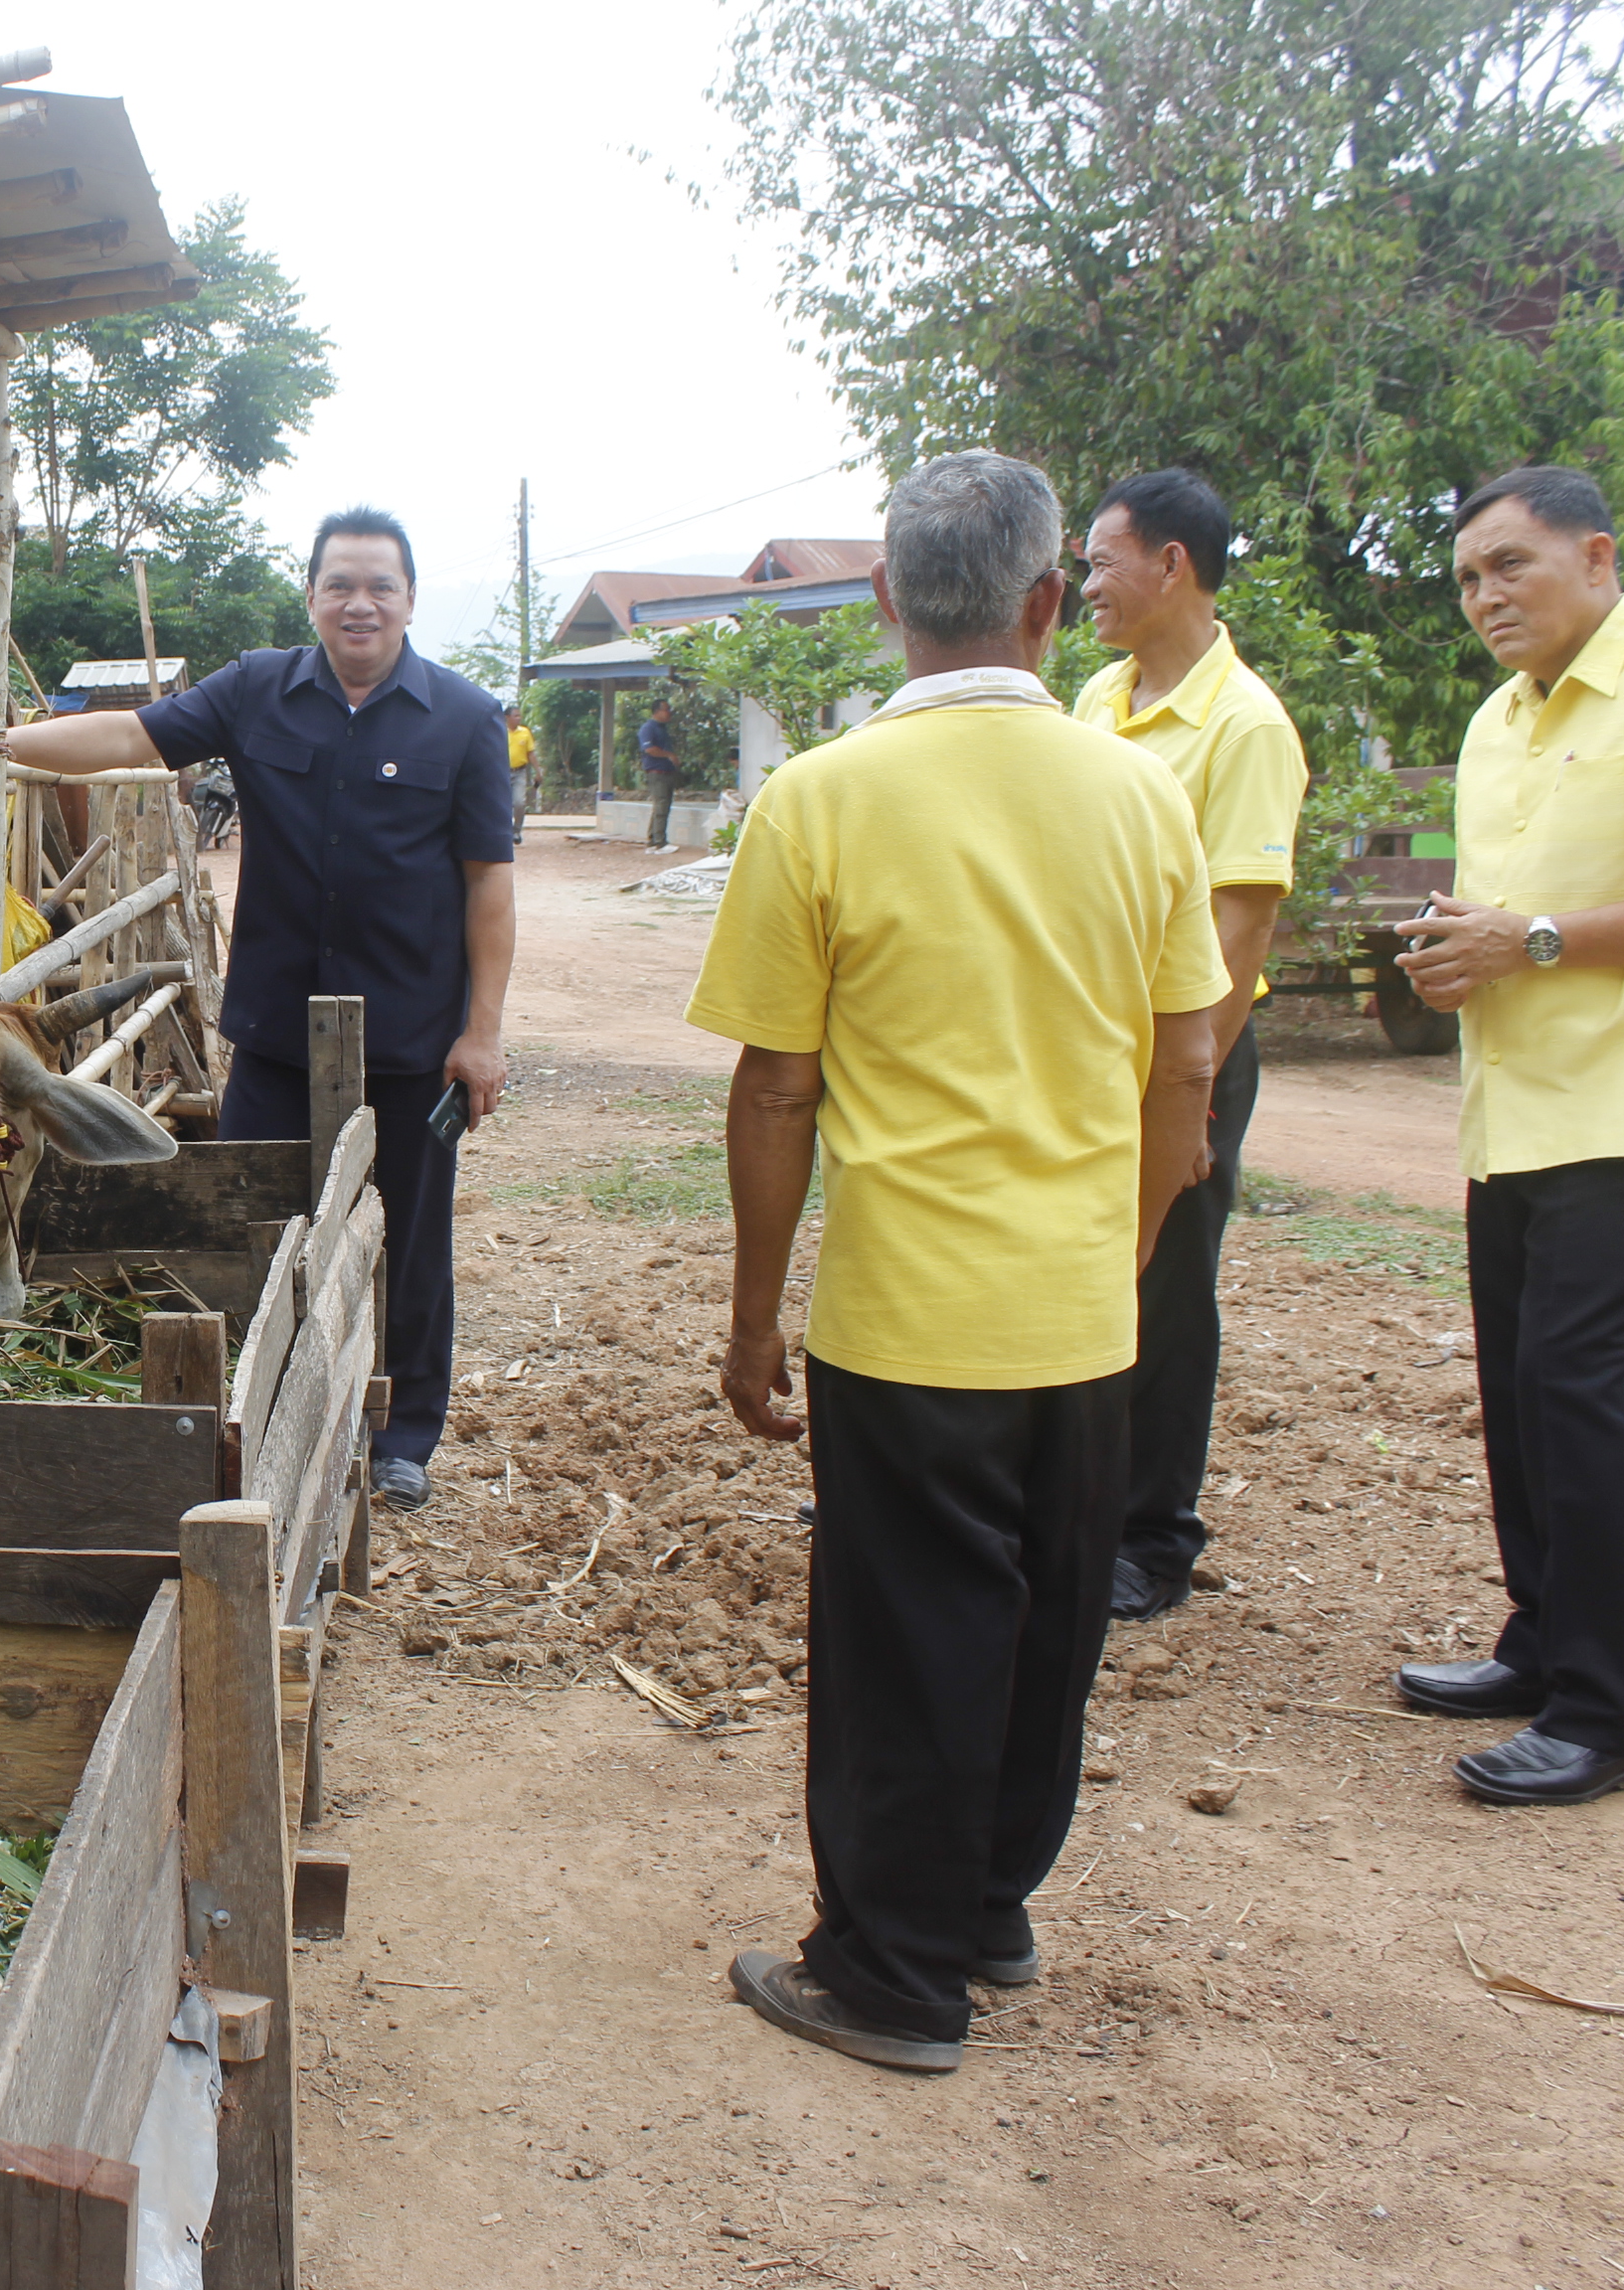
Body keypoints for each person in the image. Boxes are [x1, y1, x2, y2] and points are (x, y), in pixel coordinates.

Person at [690, 450, 1224, 2072]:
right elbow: (1186, 1067)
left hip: (907, 1314)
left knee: (901, 1643)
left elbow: (778, 1083)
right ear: (1049, 601)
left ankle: (891, 1970)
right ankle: (988, 1904)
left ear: (881, 602)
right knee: (1046, 1625)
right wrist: (1123, 1252)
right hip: (1077, 1310)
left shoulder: (820, 800)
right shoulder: (1139, 792)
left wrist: (750, 1314)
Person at [4, 506, 516, 1512]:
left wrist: (482, 1033)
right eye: (340, 584)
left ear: (410, 598)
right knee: (250, 1218)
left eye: (380, 586)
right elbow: (135, 734)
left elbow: (488, 886)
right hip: (279, 1028)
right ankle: (260, 1409)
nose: (359, 603)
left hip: (411, 1033)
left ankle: (405, 1434)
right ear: (313, 595)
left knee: (412, 1239)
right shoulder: (258, 691)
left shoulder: (464, 720)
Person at [1389, 463, 1624, 1807]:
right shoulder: (1499, 720)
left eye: (1510, 565)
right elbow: (1514, 922)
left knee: (1583, 1402)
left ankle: (1611, 1706)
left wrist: (1537, 940)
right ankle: (1544, 1642)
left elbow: (1565, 926)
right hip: (1510, 1109)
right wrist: (1459, 949)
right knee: (1518, 1394)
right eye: (1465, 579)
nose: (1485, 598)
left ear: (1600, 558)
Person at [1071, 470, 1312, 1622]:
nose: (1086, 588)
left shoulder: (1244, 724)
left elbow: (1242, 919)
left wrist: (1191, 1084)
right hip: (1083, 1049)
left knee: (1167, 1285)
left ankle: (1154, 1536)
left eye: (1101, 563)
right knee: (1078, 1268)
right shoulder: (1095, 701)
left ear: (1173, 566)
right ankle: (1062, 1500)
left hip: (1186, 1053)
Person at [638, 698, 683, 848]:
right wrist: (669, 755)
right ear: (657, 711)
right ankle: (659, 841)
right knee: (661, 806)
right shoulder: (648, 728)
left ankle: (653, 839)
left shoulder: (662, 729)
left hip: (667, 771)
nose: (670, 713)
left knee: (662, 806)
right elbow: (649, 749)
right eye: (666, 709)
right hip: (657, 773)